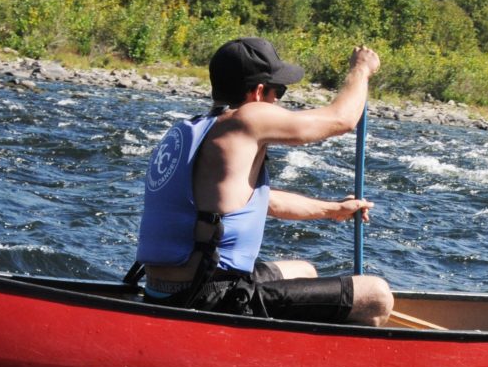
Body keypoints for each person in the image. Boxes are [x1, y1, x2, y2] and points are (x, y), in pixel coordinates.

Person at [133, 37, 394, 326]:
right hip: (210, 297)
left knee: (304, 270)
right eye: (278, 90)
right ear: (258, 92)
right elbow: (341, 119)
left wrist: (332, 209)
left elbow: (265, 201)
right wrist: (361, 69)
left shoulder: (195, 129)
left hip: (164, 292)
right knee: (377, 295)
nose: (279, 100)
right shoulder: (247, 119)